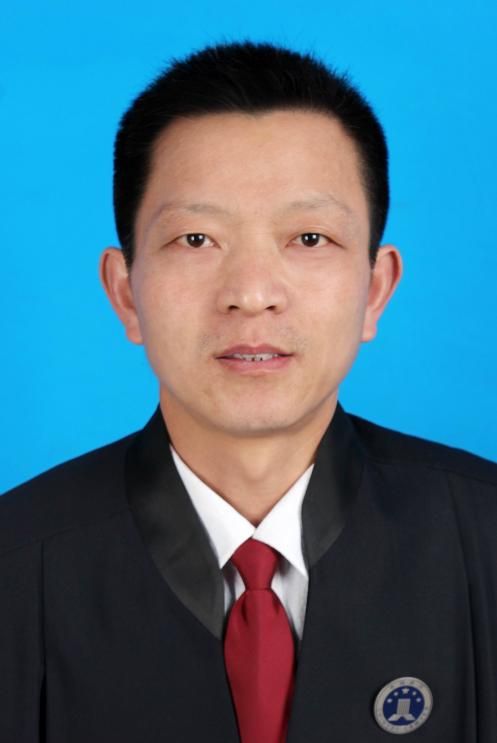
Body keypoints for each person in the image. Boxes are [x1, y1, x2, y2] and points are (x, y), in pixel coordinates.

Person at [1, 40, 496, 743]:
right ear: (125, 293)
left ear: (375, 289)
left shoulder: (484, 541)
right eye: (196, 239)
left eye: (309, 237)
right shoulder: (15, 567)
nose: (252, 293)